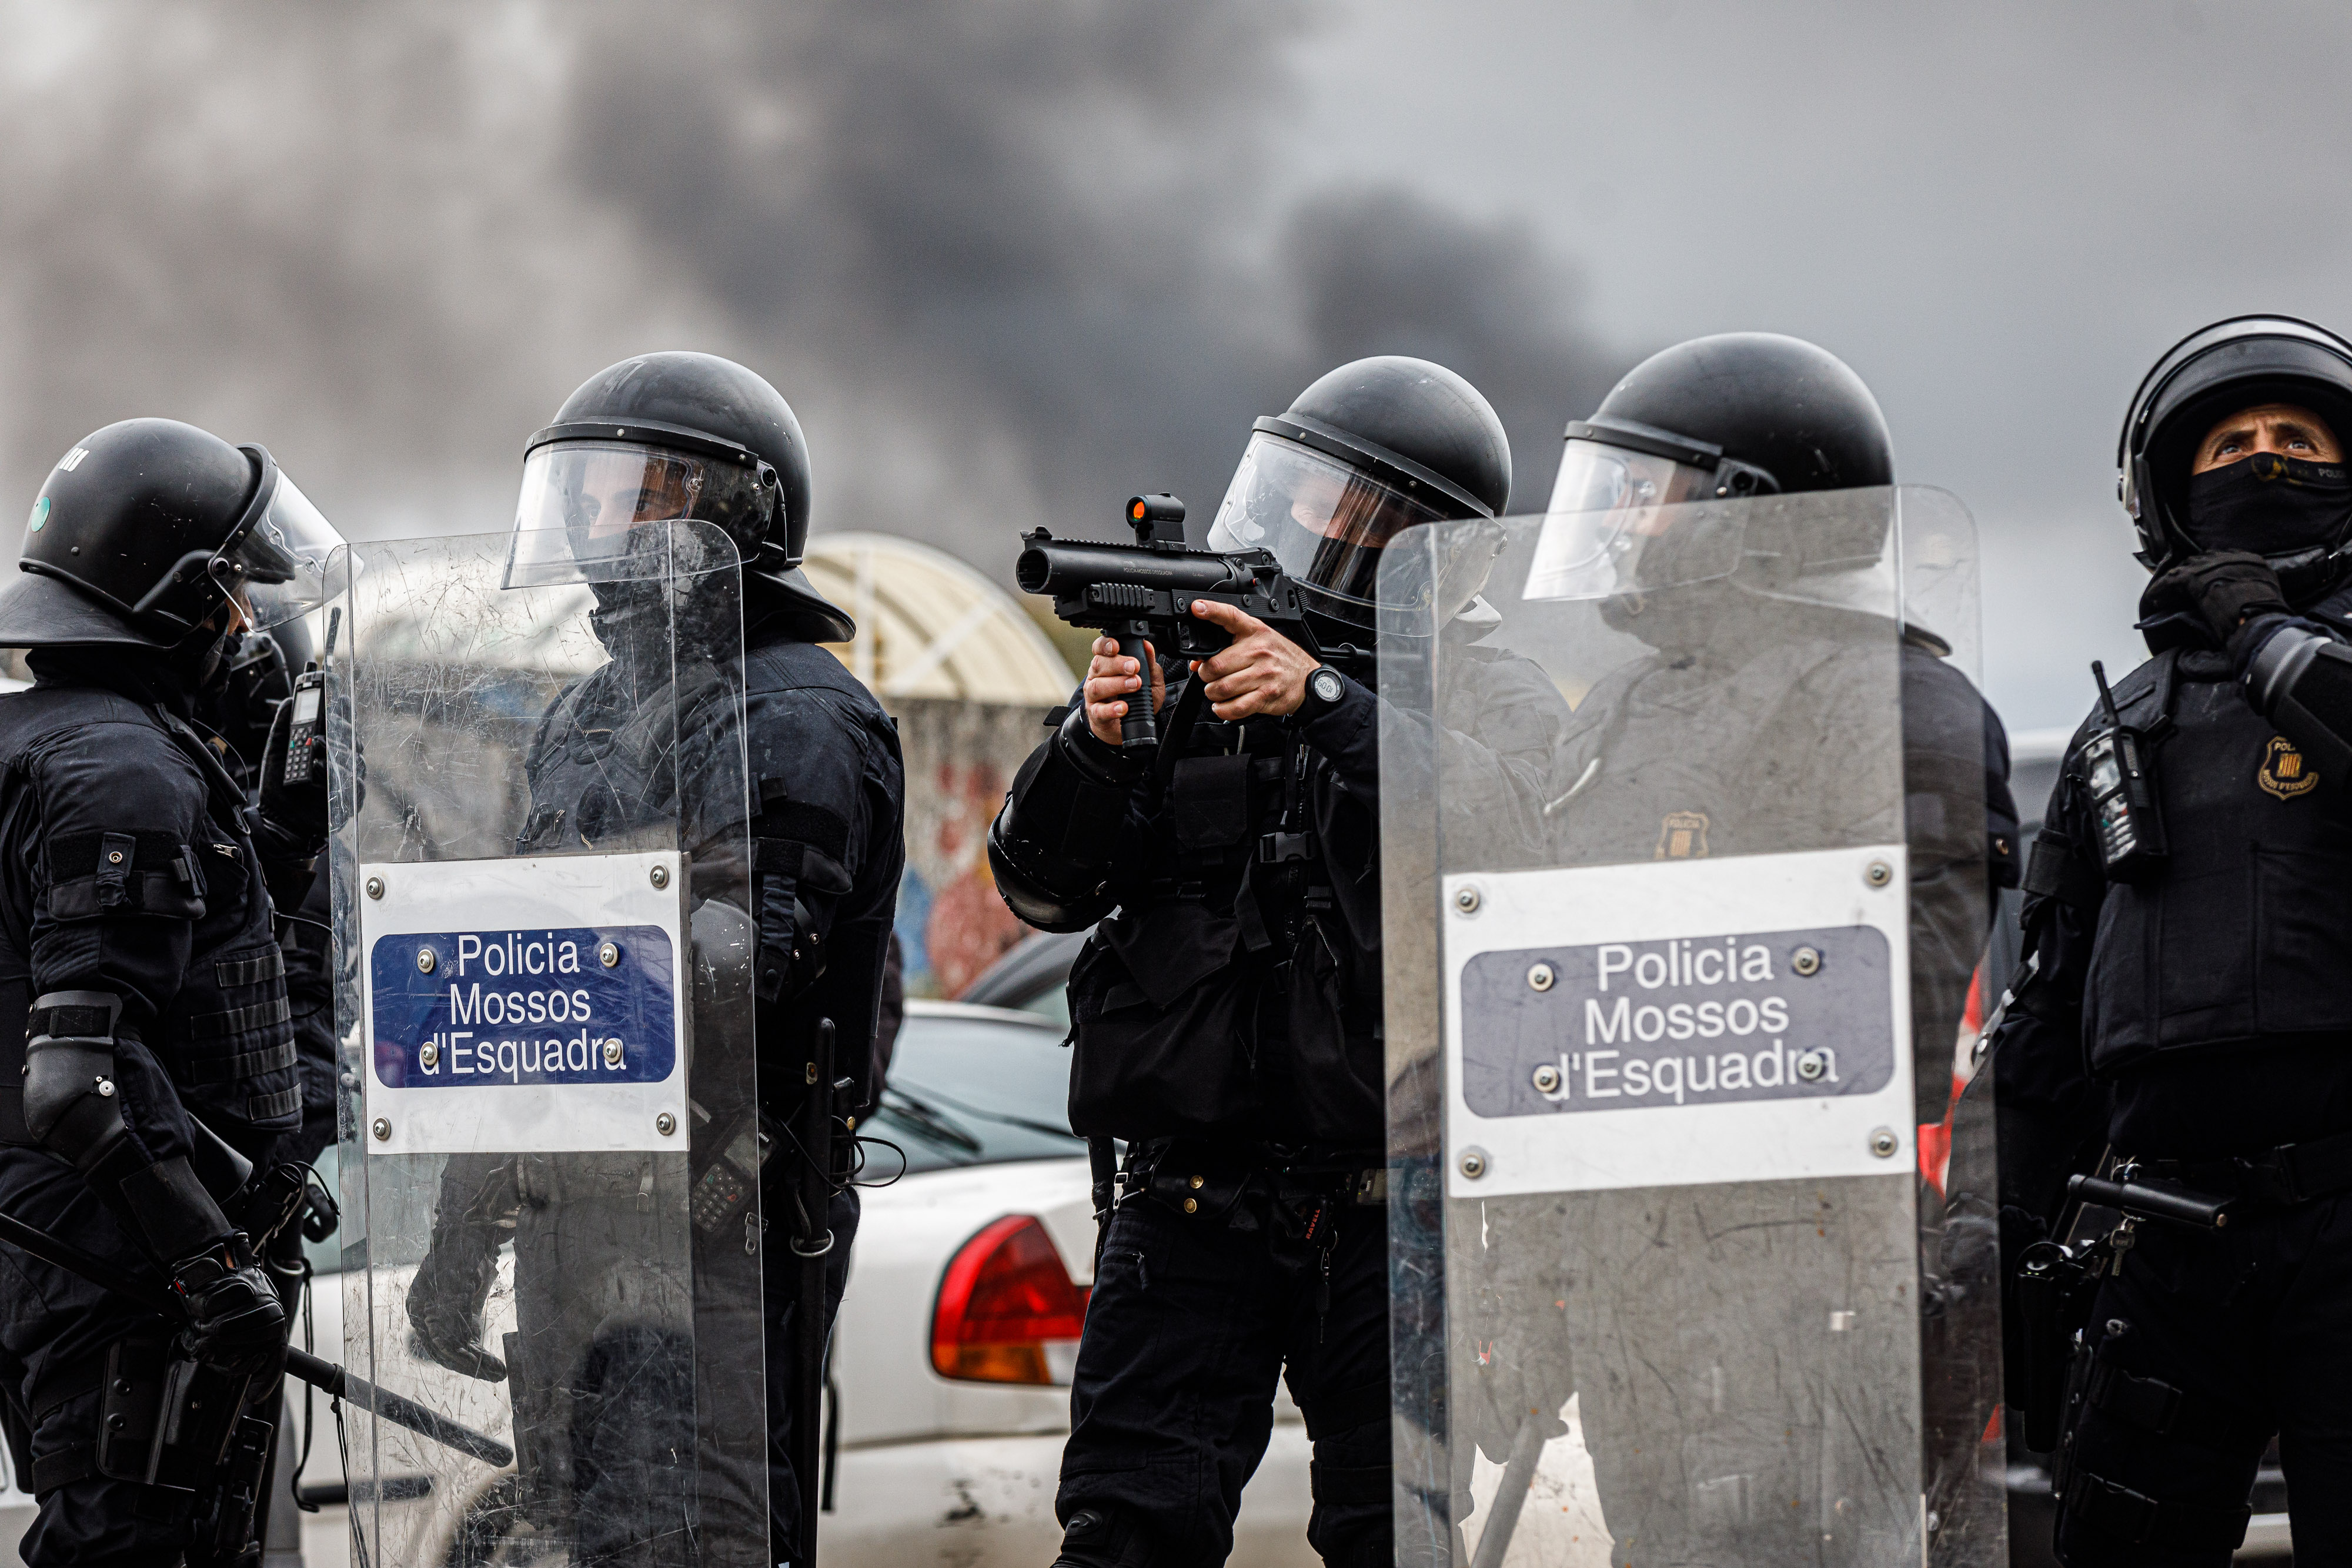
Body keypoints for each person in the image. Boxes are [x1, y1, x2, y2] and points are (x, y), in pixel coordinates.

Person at [988, 356, 1572, 1568]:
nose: (1322, 531)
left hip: (1391, 1213)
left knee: (1393, 1536)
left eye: (1368, 515)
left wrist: (1327, 703)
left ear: (1437, 551)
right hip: (1186, 1200)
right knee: (1122, 1532)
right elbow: (1041, 888)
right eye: (1307, 495)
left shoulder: (1485, 689)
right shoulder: (1197, 676)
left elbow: (1518, 842)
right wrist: (1093, 745)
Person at [1452, 333, 2019, 1559]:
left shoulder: (1890, 702)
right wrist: (1528, 1281)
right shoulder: (1618, 707)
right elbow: (1547, 998)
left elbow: (1893, 1023)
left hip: (1794, 1271)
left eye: (1639, 492)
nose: (1613, 522)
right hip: (1621, 1278)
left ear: (1751, 515)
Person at [402, 352, 904, 1563]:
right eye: (584, 491)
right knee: (580, 1530)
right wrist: (464, 1231)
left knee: (702, 1537)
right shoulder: (586, 714)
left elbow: (731, 982)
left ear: (740, 510)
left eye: (642, 489)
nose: (601, 522)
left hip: (722, 1216)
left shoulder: (793, 712)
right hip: (579, 1224)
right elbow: (527, 998)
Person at [1993, 315, 2352, 1564]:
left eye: (2294, 438)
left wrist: (2266, 636)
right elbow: (2042, 1021)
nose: (2261, 460)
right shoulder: (2115, 726)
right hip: (2163, 1242)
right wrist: (1986, 1242)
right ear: (2170, 494)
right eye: (2230, 444)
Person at [0, 418, 344, 1565]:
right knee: (128, 1540)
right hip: (126, 1261)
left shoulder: (73, 741)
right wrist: (208, 1264)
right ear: (182, 597)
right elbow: (81, 1076)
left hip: (95, 1240)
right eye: (237, 591)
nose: (249, 622)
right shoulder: (121, 770)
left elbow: (186, 995)